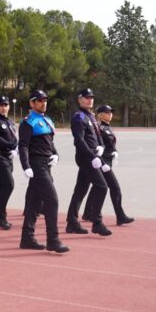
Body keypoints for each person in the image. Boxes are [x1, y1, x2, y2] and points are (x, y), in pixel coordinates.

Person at [18, 90, 69, 252]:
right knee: (52, 200)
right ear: (32, 103)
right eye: (39, 100)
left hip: (47, 164)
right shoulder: (28, 122)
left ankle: (27, 238)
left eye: (45, 100)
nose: (43, 103)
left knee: (34, 202)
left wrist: (56, 154)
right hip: (37, 164)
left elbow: (50, 142)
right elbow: (23, 145)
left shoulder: (47, 120)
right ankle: (53, 239)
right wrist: (26, 166)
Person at [65, 88, 112, 237]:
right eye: (86, 97)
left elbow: (98, 136)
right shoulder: (78, 117)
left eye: (91, 97)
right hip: (86, 158)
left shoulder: (90, 116)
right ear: (80, 99)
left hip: (93, 156)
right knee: (102, 187)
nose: (90, 100)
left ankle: (72, 222)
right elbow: (79, 140)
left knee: (80, 189)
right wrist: (93, 156)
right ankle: (97, 223)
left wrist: (101, 147)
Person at [83, 105, 134, 226]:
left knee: (97, 187)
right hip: (102, 162)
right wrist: (103, 161)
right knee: (115, 188)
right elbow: (98, 146)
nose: (110, 114)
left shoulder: (107, 127)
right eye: (107, 112)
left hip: (108, 161)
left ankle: (88, 213)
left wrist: (115, 151)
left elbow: (111, 144)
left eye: (111, 112)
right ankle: (120, 216)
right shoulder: (99, 128)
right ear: (100, 114)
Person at [0, 95, 18, 230]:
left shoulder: (10, 122)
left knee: (1, 186)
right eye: (1, 105)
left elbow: (15, 138)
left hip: (9, 157)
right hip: (0, 158)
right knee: (9, 185)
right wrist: (11, 146)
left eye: (6, 105)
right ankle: (1, 216)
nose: (3, 107)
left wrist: (15, 149)